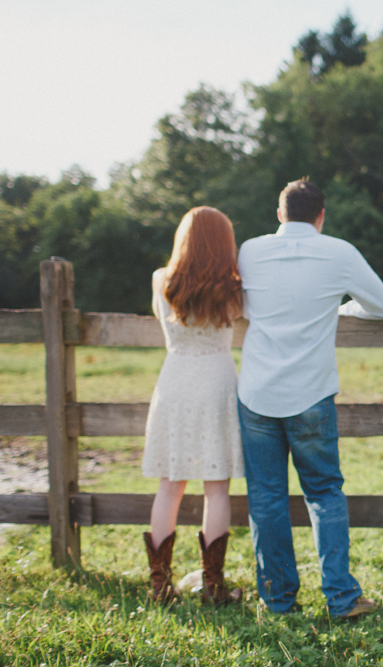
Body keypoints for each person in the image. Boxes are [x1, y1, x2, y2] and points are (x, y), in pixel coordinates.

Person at [237, 178, 383, 618]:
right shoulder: (339, 252)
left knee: (266, 498)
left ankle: (277, 600)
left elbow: (245, 307)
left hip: (257, 393)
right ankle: (341, 598)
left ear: (279, 213)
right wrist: (340, 308)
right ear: (321, 216)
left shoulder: (250, 250)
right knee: (324, 493)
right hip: (311, 394)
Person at [142, 206, 245, 605]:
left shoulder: (160, 280)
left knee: (170, 485)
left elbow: (162, 319)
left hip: (176, 380)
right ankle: (214, 586)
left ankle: (160, 585)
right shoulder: (234, 286)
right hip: (217, 381)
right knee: (217, 489)